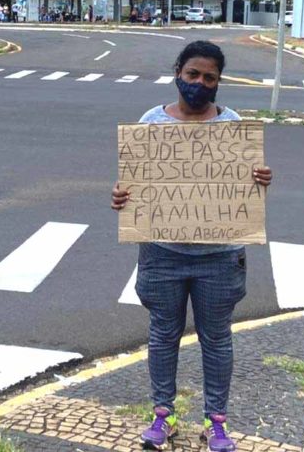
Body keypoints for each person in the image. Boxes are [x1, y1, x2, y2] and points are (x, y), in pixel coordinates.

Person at [111, 40, 273, 452]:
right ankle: (161, 416)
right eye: (192, 75)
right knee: (163, 335)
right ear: (177, 73)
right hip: (163, 254)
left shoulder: (233, 125)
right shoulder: (150, 122)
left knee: (216, 338)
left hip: (219, 257)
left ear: (219, 83)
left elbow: (245, 189)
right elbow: (132, 185)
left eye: (209, 78)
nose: (200, 84)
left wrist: (259, 182)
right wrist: (121, 197)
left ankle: (216, 422)